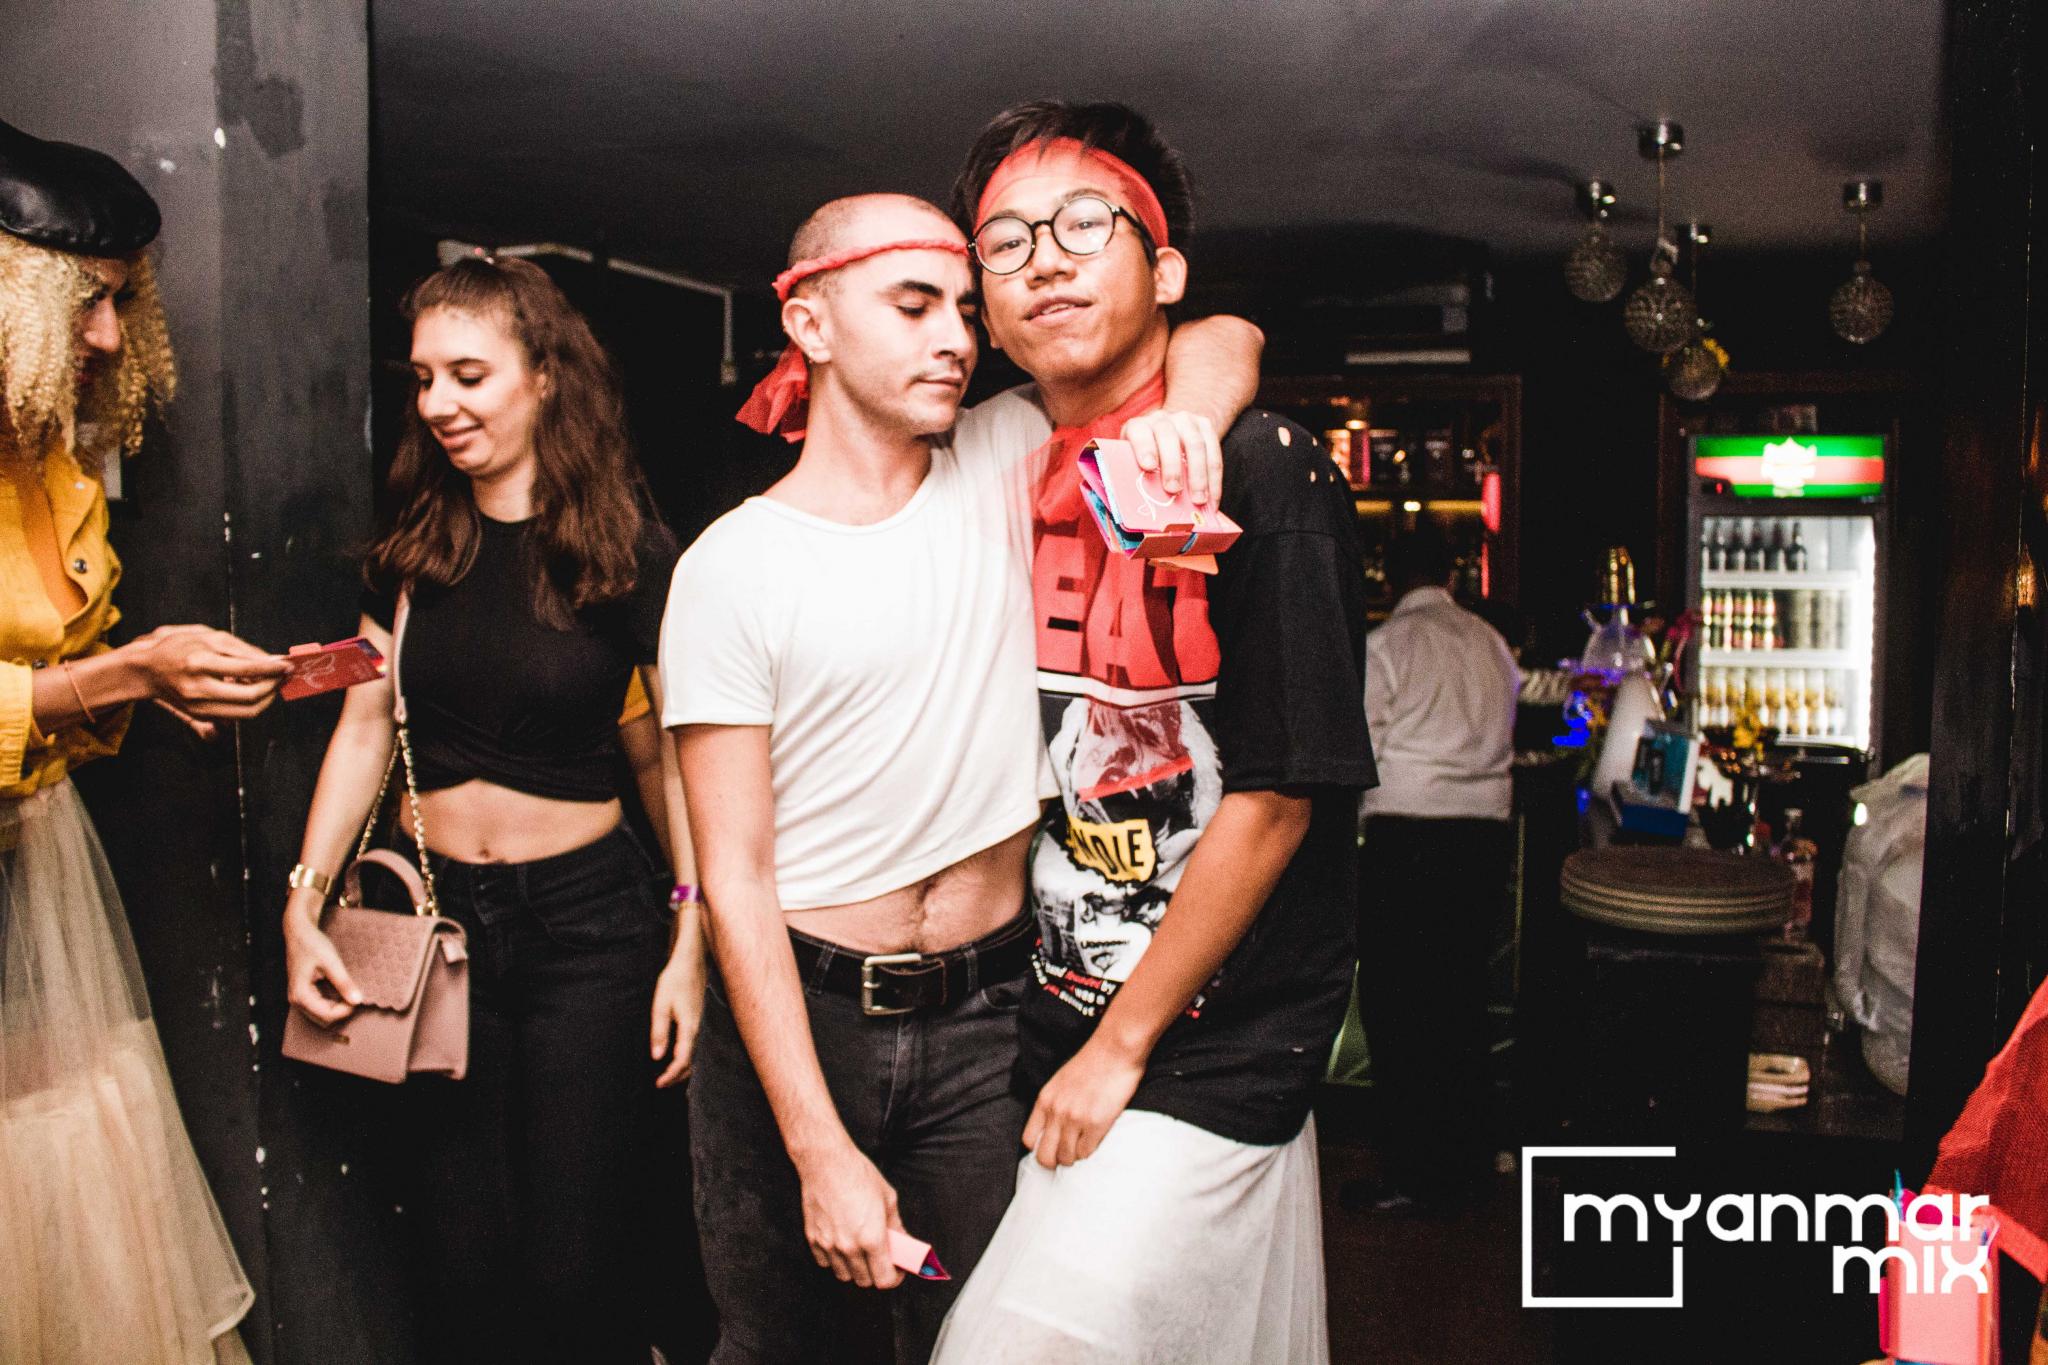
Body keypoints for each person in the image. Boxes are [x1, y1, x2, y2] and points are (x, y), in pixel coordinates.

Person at [665, 192, 1261, 1365]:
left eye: (960, 309)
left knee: (994, 1343)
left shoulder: (1003, 456)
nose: (955, 334)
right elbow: (732, 878)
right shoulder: (732, 567)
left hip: (991, 1020)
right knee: (782, 1345)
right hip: (801, 1025)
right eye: (912, 303)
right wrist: (818, 1149)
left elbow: (1222, 335)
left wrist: (1185, 424)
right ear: (812, 325)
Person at [929, 101, 1377, 1364]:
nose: (1044, 260)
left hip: (1205, 1044)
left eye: (1084, 224)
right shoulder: (999, 454)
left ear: (1163, 266)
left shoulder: (1260, 468)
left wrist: (1120, 1048)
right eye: (1003, 242)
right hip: (1044, 1012)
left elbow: (1282, 794)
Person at [281, 255, 699, 1364]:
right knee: (460, 1257)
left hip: (589, 933)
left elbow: (669, 764)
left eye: (468, 374)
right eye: (423, 379)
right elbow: (364, 726)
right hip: (438, 929)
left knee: (575, 1264)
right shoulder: (415, 548)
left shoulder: (625, 555)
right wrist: (302, 904)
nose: (438, 406)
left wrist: (692, 936)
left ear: (545, 376)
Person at [0, 115, 288, 1365]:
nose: (112, 336)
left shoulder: (49, 463)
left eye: (122, 306)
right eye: (91, 303)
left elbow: (52, 686)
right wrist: (114, 673)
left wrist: (133, 688)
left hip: (28, 873)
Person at [1348, 524, 1519, 1214]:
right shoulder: (1493, 644)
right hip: (1483, 838)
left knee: (1398, 1006)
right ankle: (1472, 1160)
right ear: (1451, 576)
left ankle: (1408, 1173)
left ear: (1393, 578)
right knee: (1462, 1001)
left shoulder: (1387, 645)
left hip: (1406, 834)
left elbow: (1357, 745)